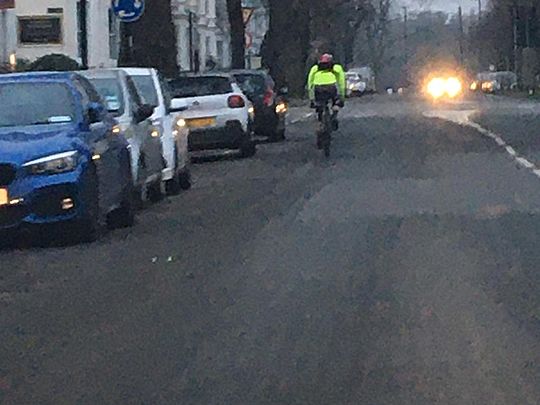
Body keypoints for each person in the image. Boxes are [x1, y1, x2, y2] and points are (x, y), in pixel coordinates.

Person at [307, 54, 346, 137]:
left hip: (318, 89)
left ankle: (320, 122)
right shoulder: (337, 68)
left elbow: (310, 83)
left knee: (319, 106)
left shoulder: (315, 68)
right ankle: (334, 115)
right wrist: (342, 96)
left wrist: (311, 98)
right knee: (336, 102)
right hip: (331, 88)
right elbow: (341, 82)